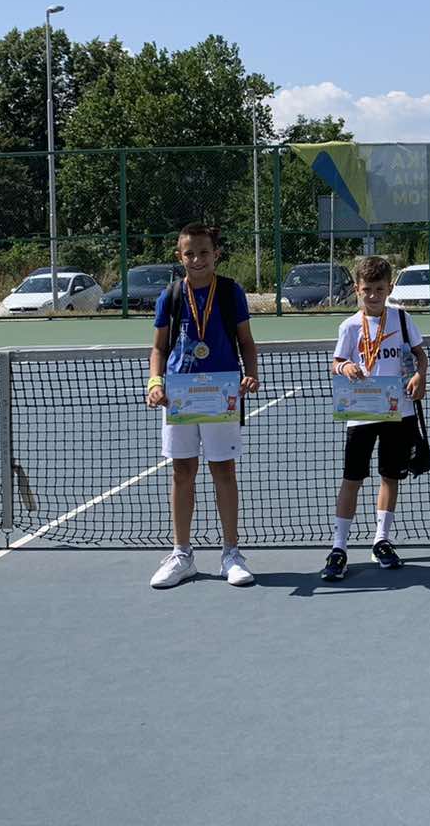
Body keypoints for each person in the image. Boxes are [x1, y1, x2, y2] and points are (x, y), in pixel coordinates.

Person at [145, 223, 260, 590]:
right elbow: (159, 348)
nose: (197, 259)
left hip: (222, 394)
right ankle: (182, 555)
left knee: (223, 470)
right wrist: (155, 382)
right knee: (182, 472)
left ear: (216, 254)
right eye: (190, 253)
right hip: (179, 395)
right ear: (180, 256)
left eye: (204, 252)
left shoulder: (230, 292)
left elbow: (246, 342)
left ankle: (231, 554)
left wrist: (251, 374)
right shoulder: (170, 295)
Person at [322, 255, 428, 582]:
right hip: (361, 412)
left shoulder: (402, 319)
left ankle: (381, 540)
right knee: (352, 479)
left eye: (379, 289)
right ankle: (339, 547)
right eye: (367, 289)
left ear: (389, 288)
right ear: (357, 289)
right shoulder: (349, 326)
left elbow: (420, 355)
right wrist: (345, 367)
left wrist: (420, 375)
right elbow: (336, 363)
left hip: (399, 411)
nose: (373, 295)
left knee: (390, 477)